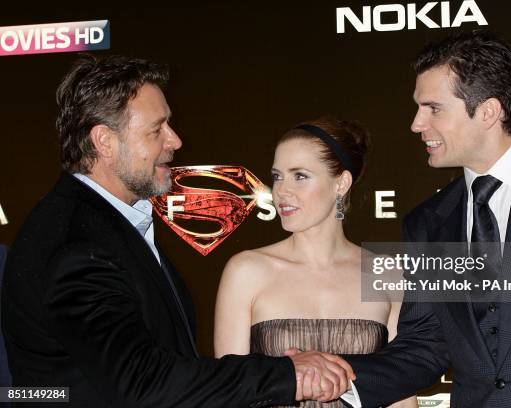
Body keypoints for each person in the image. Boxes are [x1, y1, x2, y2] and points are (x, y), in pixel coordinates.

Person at [1, 55, 354, 407]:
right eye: (157, 129)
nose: (175, 140)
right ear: (104, 142)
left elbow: (164, 363)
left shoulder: (110, 225)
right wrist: (286, 375)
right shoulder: (77, 242)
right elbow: (142, 381)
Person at [341, 30, 511, 407]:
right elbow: (426, 343)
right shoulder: (427, 222)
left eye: (433, 108)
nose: (416, 124)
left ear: (488, 111)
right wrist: (340, 381)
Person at [214, 116, 417, 407]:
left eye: (300, 176)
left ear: (341, 183)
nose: (281, 191)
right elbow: (230, 392)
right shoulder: (247, 271)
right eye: (277, 176)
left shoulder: (387, 274)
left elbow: (401, 395)